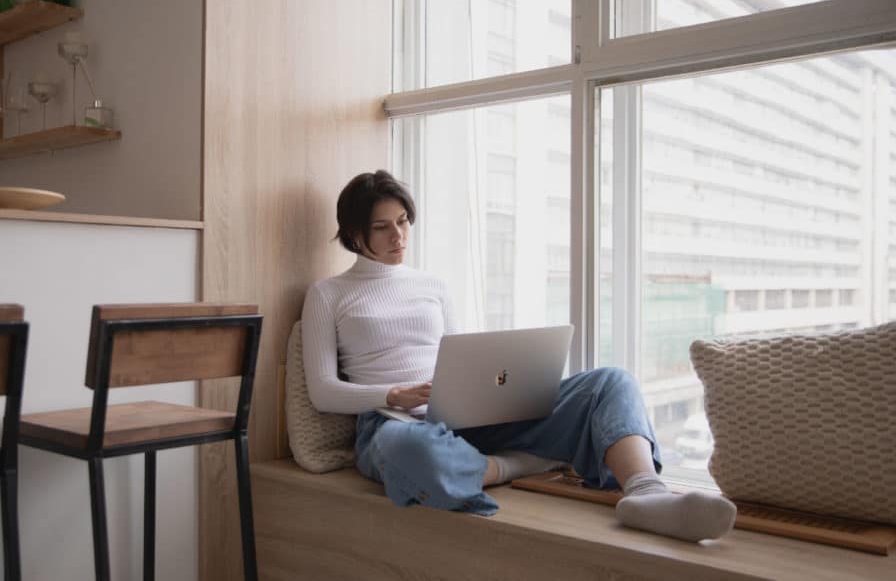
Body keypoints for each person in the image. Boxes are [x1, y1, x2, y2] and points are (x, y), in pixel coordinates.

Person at [301, 170, 737, 542]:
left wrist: (489, 386)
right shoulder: (328, 294)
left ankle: (646, 494)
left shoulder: (431, 285)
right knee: (412, 451)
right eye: (382, 227)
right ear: (356, 233)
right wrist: (393, 395)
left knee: (611, 381)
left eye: (403, 221)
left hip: (457, 415)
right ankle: (521, 464)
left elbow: (459, 357)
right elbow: (322, 392)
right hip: (390, 426)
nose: (398, 235)